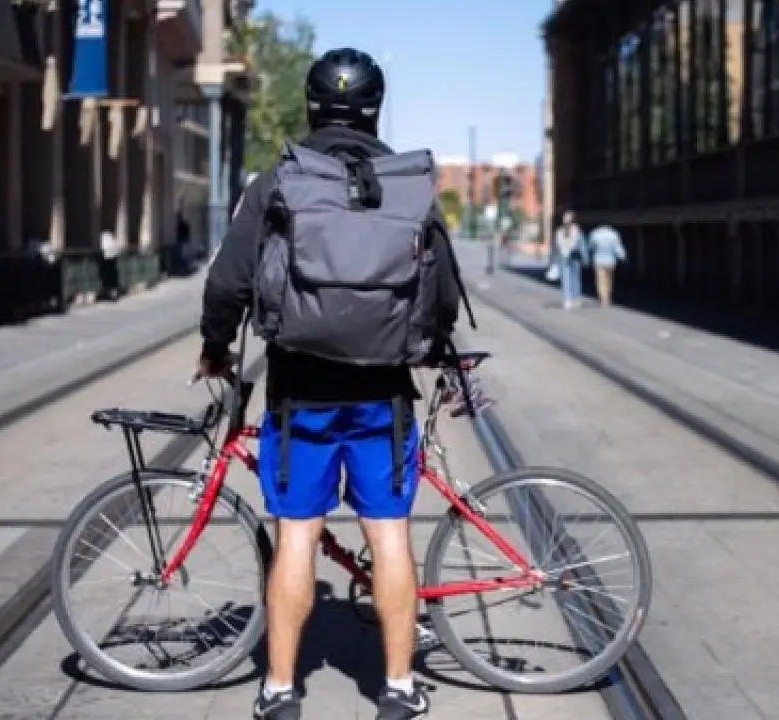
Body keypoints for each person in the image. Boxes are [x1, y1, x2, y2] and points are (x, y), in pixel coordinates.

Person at [197, 47, 461, 720]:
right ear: (375, 108)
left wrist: (216, 347)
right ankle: (398, 688)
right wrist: (431, 348)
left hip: (299, 393)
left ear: (311, 105)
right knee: (390, 536)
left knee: (296, 536)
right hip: (384, 397)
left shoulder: (279, 180)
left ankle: (280, 690)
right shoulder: (406, 184)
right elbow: (443, 293)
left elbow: (227, 283)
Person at [587, 223, 627, 308]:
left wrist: (589, 254)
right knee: (609, 280)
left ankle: (603, 299)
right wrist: (623, 256)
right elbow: (617, 247)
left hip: (598, 260)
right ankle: (608, 298)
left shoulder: (595, 234)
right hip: (610, 261)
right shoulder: (614, 234)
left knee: (600, 281)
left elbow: (591, 246)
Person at [553, 210, 587, 309]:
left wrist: (555, 257)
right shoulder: (577, 231)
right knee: (574, 278)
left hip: (564, 256)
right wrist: (585, 258)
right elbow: (582, 246)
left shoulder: (559, 231)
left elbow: (557, 245)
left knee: (567, 278)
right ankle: (575, 299)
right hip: (573, 256)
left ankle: (569, 300)